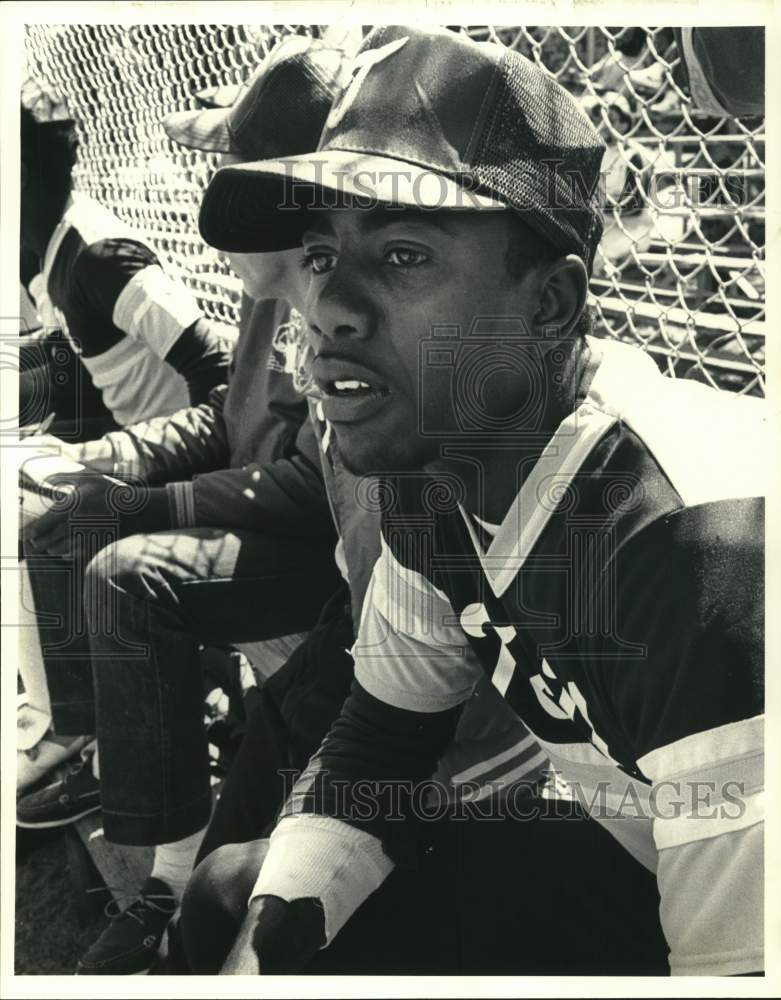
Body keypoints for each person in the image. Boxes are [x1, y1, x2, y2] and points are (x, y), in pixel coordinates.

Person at [193, 24, 765, 977]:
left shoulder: (697, 555)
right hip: (650, 852)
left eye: (405, 255)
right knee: (241, 896)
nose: (329, 305)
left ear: (549, 304)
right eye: (324, 252)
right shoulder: (439, 476)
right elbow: (378, 740)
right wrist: (276, 941)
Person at [17, 36, 349, 975]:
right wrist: (106, 461)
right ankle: (110, 773)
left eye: (243, 169)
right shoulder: (272, 272)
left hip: (313, 547)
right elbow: (231, 417)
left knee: (129, 571)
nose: (224, 190)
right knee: (75, 515)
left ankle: (159, 856)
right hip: (262, 504)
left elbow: (320, 484)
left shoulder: (338, 290)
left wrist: (152, 493)